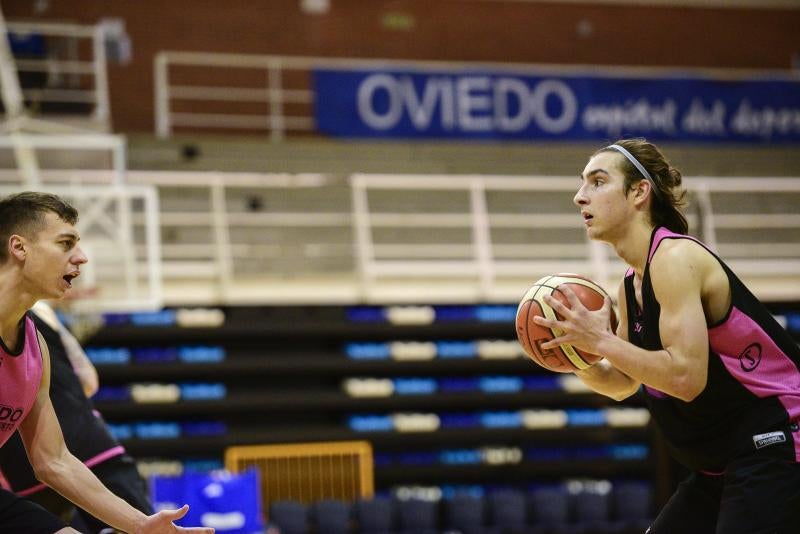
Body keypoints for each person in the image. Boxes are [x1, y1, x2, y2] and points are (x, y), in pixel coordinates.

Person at [533, 138, 800, 533]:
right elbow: (624, 383)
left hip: (776, 443)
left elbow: (685, 379)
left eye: (597, 182)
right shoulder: (630, 283)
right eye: (582, 184)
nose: (579, 197)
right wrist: (576, 354)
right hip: (720, 463)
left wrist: (602, 341)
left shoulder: (675, 259)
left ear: (639, 192)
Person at [0, 191, 213, 534]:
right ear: (19, 247)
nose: (81, 258)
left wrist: (140, 525)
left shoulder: (36, 346)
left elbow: (53, 461)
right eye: (65, 243)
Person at [0, 301, 154, 533]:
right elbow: (88, 380)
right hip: (88, 446)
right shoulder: (40, 312)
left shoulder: (30, 331)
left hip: (23, 467)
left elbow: (53, 461)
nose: (78, 263)